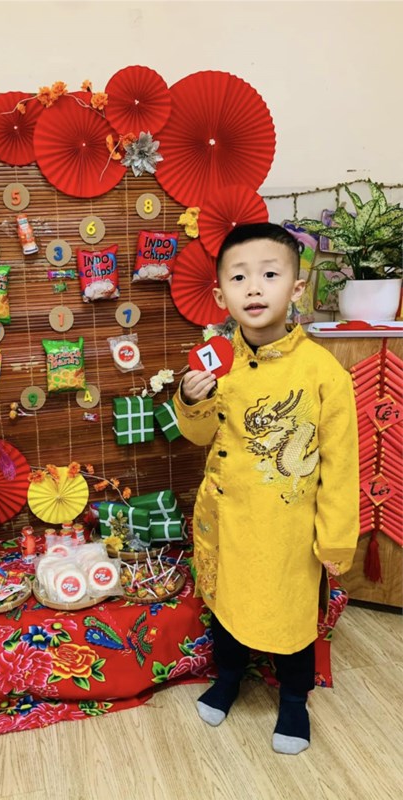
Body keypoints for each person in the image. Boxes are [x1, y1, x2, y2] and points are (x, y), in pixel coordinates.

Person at [173, 222, 359, 755]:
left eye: (270, 275)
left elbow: (340, 464)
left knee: (291, 615)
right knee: (226, 607)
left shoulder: (323, 372)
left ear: (296, 288)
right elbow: (199, 435)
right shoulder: (215, 362)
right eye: (239, 278)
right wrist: (191, 398)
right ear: (220, 295)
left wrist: (335, 538)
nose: (254, 288)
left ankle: (294, 701)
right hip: (228, 521)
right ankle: (229, 678)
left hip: (288, 529)